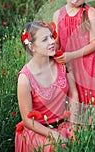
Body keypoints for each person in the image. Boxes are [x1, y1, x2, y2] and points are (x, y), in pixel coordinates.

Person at [15, 21, 78, 152]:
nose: (52, 41)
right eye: (45, 39)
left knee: (87, 138)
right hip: (40, 130)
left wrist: (73, 124)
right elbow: (28, 121)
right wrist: (54, 135)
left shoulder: (62, 62)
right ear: (32, 47)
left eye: (51, 36)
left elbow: (73, 94)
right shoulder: (25, 79)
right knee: (59, 147)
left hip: (64, 124)